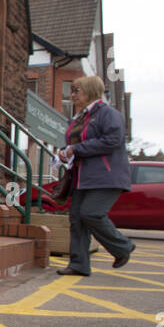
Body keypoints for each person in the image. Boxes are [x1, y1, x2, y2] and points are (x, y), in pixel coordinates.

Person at [56, 75, 135, 275]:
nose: (72, 95)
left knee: (91, 213)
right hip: (82, 177)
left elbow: (113, 140)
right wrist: (64, 152)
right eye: (72, 91)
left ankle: (122, 247)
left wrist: (76, 149)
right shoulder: (80, 117)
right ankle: (78, 264)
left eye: (77, 91)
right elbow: (75, 144)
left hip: (106, 176)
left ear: (91, 92)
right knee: (77, 219)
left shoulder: (108, 114)